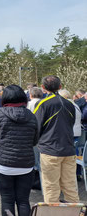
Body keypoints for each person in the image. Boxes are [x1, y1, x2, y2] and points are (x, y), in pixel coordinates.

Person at [0, 84, 38, 216]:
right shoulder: (32, 116)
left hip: (3, 164)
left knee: (7, 200)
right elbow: (35, 141)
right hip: (26, 164)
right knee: (23, 201)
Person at [33, 75, 78, 203]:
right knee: (70, 187)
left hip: (49, 150)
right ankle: (75, 211)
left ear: (42, 88)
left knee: (51, 187)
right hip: (69, 149)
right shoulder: (70, 104)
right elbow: (71, 123)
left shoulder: (42, 103)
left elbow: (36, 126)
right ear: (60, 86)